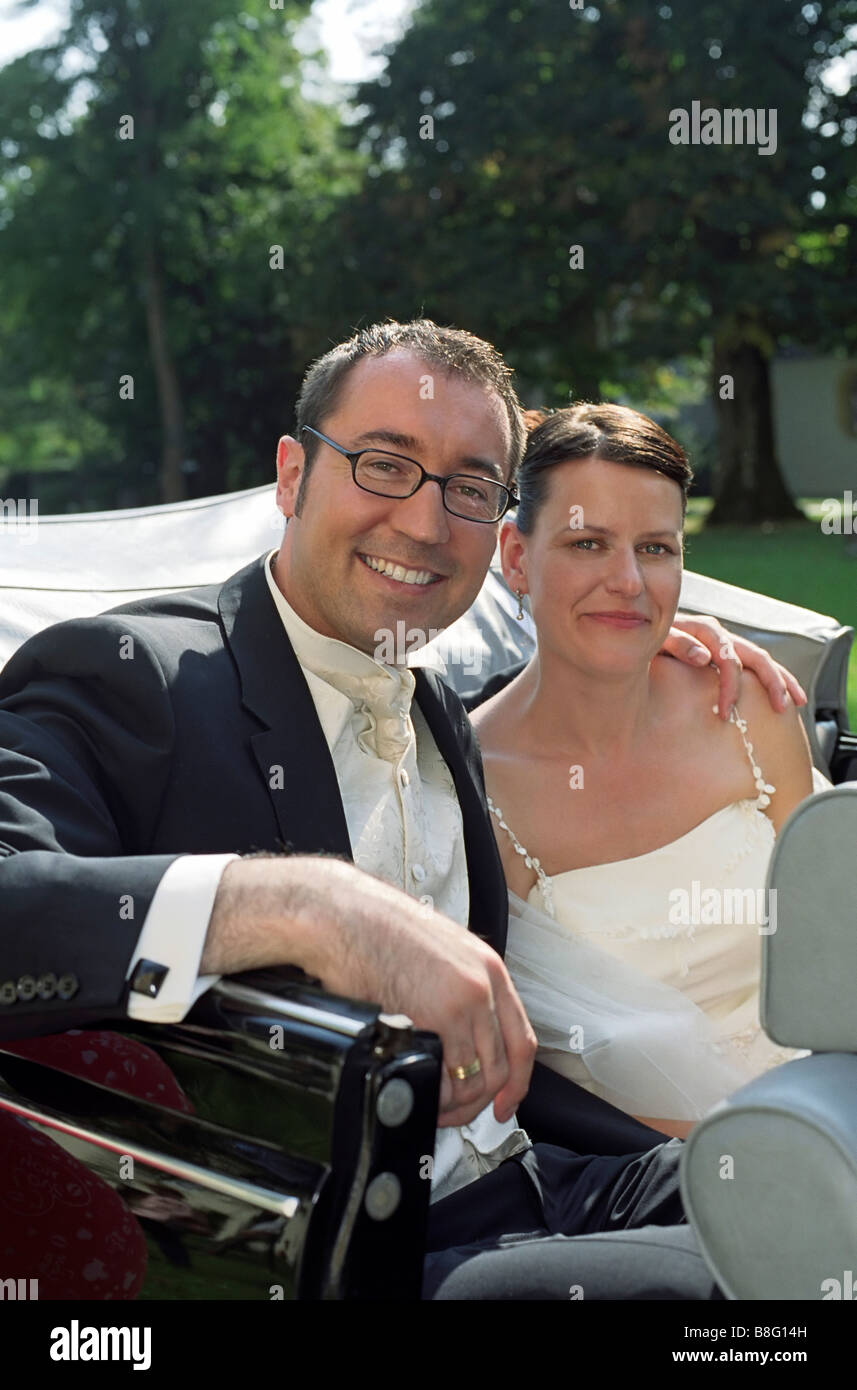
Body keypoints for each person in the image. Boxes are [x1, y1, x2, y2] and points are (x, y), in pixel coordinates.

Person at [0, 320, 806, 1299]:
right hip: (351, 1250)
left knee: (809, 1195)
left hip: (552, 1182)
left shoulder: (444, 718)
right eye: (384, 465)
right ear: (291, 477)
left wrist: (643, 630)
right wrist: (310, 906)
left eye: (467, 487)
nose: (425, 524)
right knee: (738, 1288)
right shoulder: (135, 678)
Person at [470, 403, 817, 1139]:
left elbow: (835, 930)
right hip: (650, 1173)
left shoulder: (747, 705)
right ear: (515, 556)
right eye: (588, 542)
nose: (627, 580)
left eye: (655, 548)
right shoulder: (477, 789)